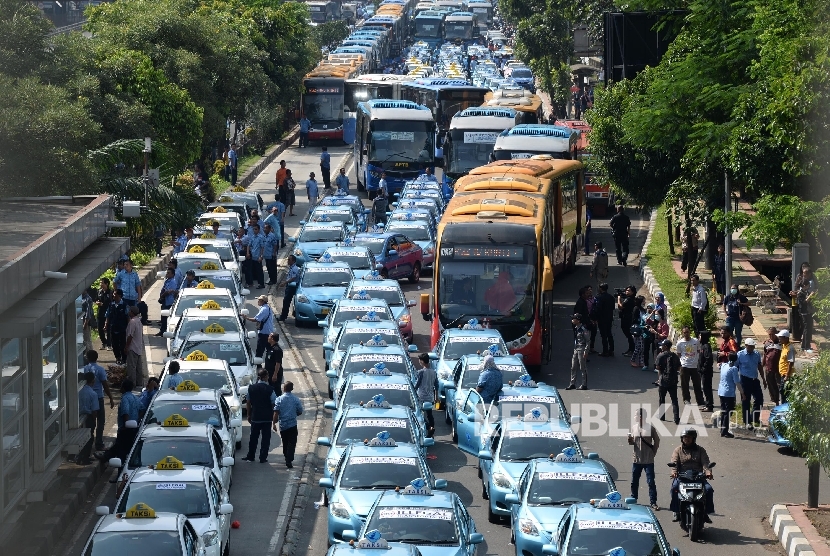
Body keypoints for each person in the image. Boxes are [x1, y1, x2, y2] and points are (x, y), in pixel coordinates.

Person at [669, 428, 714, 522]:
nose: (687, 439)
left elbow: (706, 462)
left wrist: (708, 472)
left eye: (689, 437)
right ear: (682, 438)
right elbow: (674, 462)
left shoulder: (701, 450)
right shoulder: (678, 450)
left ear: (694, 438)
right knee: (674, 488)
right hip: (683, 476)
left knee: (709, 490)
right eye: (685, 437)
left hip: (698, 476)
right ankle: (676, 511)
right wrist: (674, 471)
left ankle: (706, 512)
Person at [95, 379, 140, 461]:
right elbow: (142, 409)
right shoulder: (135, 398)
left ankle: (108, 458)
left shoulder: (125, 399)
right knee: (119, 446)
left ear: (123, 388)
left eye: (121, 386)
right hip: (134, 428)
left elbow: (125, 412)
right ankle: (106, 456)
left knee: (121, 450)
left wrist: (126, 425)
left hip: (126, 429)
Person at [629, 408, 660, 510]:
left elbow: (657, 440)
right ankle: (633, 499)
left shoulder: (650, 428)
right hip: (636, 460)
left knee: (650, 482)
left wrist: (653, 453)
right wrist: (629, 440)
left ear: (641, 417)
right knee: (634, 481)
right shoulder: (634, 427)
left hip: (648, 460)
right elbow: (632, 443)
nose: (635, 417)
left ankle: (653, 502)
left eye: (636, 415)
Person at [84, 350, 115, 450]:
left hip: (88, 398)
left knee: (90, 420)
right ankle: (99, 443)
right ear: (96, 358)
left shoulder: (85, 369)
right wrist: (110, 398)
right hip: (98, 397)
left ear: (88, 358)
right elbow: (105, 385)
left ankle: (88, 441)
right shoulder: (100, 369)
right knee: (101, 421)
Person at [244, 370, 277, 463]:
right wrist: (273, 416)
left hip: (255, 416)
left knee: (253, 437)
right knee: (266, 439)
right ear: (265, 377)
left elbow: (248, 402)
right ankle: (263, 457)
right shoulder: (270, 389)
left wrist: (249, 414)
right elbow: (274, 403)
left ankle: (251, 456)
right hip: (267, 418)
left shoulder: (251, 388)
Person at [272, 381, 304, 468]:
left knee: (285, 442)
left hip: (283, 425)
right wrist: (294, 414)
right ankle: (289, 459)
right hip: (292, 424)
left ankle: (287, 456)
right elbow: (300, 411)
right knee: (292, 443)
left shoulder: (279, 399)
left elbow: (276, 412)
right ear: (292, 389)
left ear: (284, 388)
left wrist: (274, 423)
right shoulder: (296, 399)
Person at [737, 338, 765, 429]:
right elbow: (735, 368)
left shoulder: (756, 354)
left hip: (754, 380)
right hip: (745, 380)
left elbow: (759, 366)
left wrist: (763, 379)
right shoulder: (740, 355)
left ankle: (754, 417)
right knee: (746, 400)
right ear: (746, 346)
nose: (752, 348)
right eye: (750, 346)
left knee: (759, 399)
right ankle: (747, 422)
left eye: (753, 346)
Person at [676, 326, 705, 407]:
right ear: (682, 333)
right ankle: (686, 399)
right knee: (685, 385)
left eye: (687, 332)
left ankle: (700, 401)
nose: (686, 334)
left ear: (690, 332)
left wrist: (699, 362)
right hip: (684, 366)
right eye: (684, 332)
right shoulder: (680, 343)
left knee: (697, 384)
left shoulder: (695, 341)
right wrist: (679, 366)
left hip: (695, 366)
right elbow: (678, 355)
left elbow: (699, 351)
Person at [76, 371, 99, 465]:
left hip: (78, 417)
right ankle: (85, 458)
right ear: (93, 380)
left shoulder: (78, 391)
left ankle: (78, 456)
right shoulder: (93, 394)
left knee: (79, 437)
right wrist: (94, 420)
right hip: (88, 417)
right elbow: (94, 410)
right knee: (89, 438)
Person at [655, 340, 680, 424]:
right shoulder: (675, 356)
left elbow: (658, 367)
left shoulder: (660, 356)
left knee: (662, 399)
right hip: (673, 381)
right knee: (674, 400)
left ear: (665, 346)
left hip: (663, 380)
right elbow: (679, 368)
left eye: (662, 345)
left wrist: (659, 378)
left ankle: (662, 417)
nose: (661, 346)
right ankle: (676, 418)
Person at [717, 352, 743, 437]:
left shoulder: (724, 365)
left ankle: (722, 429)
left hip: (721, 391)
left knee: (724, 411)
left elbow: (718, 365)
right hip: (729, 393)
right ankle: (724, 431)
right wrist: (742, 393)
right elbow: (737, 382)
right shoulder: (734, 369)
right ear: (736, 359)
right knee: (728, 412)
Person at [415, 353, 438, 438]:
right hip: (430, 397)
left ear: (422, 361)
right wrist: (436, 396)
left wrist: (412, 390)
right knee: (430, 415)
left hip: (421, 397)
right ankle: (431, 432)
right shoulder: (434, 372)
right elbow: (436, 385)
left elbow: (417, 385)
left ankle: (429, 427)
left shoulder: (421, 372)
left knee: (419, 415)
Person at [795, 265, 816, 352]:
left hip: (807, 311)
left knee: (808, 327)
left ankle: (805, 345)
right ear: (804, 286)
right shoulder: (801, 293)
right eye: (807, 286)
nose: (808, 287)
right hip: (804, 312)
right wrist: (810, 296)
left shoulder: (804, 291)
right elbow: (803, 302)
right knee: (807, 328)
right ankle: (806, 346)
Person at [105, 289, 130, 365]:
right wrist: (106, 325)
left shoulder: (125, 305)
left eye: (115, 294)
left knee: (122, 344)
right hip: (113, 327)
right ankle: (117, 358)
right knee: (114, 344)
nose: (113, 295)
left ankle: (124, 359)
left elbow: (128, 317)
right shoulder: (111, 305)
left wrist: (129, 328)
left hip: (122, 328)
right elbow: (107, 315)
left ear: (119, 295)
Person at [246, 295, 274, 360]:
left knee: (259, 351)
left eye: (259, 300)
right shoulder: (267, 308)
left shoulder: (264, 309)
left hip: (264, 333)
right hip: (268, 332)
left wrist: (246, 318)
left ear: (262, 301)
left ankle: (258, 366)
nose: (258, 301)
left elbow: (256, 319)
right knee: (269, 350)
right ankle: (269, 363)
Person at [124, 305, 145, 387]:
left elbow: (130, 336)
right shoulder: (139, 321)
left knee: (131, 367)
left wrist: (126, 347)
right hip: (138, 347)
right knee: (138, 367)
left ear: (132, 312)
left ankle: (131, 384)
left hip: (132, 347)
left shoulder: (132, 322)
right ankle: (139, 383)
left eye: (129, 311)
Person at [567, 314, 589, 390]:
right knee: (573, 367)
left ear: (578, 320)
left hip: (581, 349)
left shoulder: (583, 329)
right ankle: (572, 383)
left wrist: (586, 351)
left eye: (574, 319)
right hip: (576, 349)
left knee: (582, 367)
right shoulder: (576, 328)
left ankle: (584, 384)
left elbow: (588, 341)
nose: (572, 320)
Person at [594, 283, 615, 357]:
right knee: (609, 333)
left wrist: (596, 318)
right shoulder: (611, 297)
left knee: (603, 335)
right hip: (609, 318)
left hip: (602, 318)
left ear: (600, 289)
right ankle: (611, 350)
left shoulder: (599, 297)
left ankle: (605, 351)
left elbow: (598, 309)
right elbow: (613, 307)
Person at [763, 327, 782, 405]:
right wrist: (762, 364)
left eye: (772, 334)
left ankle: (782, 400)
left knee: (779, 385)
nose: (771, 336)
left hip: (778, 368)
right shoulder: (767, 343)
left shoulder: (781, 343)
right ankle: (775, 401)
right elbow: (765, 354)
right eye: (769, 334)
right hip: (769, 367)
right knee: (771, 384)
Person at [573, 286, 596, 353]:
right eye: (586, 294)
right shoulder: (581, 302)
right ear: (583, 294)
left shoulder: (583, 301)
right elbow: (579, 315)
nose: (588, 295)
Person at [157, 268, 179, 336]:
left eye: (169, 273)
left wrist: (162, 296)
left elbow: (168, 291)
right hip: (166, 301)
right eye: (167, 273)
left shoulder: (172, 282)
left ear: (172, 274)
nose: (167, 274)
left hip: (169, 302)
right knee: (163, 317)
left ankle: (163, 331)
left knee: (165, 318)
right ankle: (162, 331)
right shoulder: (167, 280)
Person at [278, 255, 301, 322]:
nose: (288, 261)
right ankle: (283, 316)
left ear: (293, 261)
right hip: (289, 286)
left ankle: (283, 317)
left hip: (292, 287)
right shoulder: (292, 267)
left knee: (286, 301)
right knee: (286, 302)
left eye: (289, 260)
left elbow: (293, 277)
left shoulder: (294, 268)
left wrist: (285, 282)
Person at [698, 330, 715, 412]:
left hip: (706, 372)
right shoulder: (702, 346)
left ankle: (709, 405)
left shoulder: (706, 347)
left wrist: (703, 369)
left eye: (700, 336)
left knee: (707, 388)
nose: (699, 337)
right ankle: (707, 404)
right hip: (703, 372)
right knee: (705, 388)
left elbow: (708, 359)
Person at [777, 329, 795, 403]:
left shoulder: (790, 348)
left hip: (787, 375)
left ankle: (785, 408)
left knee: (785, 392)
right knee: (782, 392)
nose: (779, 339)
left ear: (786, 338)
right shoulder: (784, 345)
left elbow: (791, 362)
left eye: (781, 337)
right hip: (783, 374)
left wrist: (787, 375)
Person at [247, 223, 266, 289]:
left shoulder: (260, 237)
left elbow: (262, 248)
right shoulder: (252, 237)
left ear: (258, 230)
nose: (254, 230)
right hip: (253, 256)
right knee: (253, 270)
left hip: (258, 257)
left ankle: (261, 284)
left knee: (259, 271)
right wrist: (248, 253)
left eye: (256, 229)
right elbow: (249, 245)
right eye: (254, 229)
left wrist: (261, 256)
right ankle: (256, 282)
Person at [629, 296, 647, 369]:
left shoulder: (643, 309)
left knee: (642, 347)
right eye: (643, 301)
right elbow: (634, 320)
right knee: (638, 347)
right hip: (637, 330)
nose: (644, 302)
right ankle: (632, 360)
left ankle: (641, 361)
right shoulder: (636, 309)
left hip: (643, 330)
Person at [96, 277, 113, 350]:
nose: (101, 284)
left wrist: (103, 304)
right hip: (100, 313)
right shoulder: (99, 291)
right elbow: (96, 299)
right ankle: (104, 342)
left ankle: (109, 344)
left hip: (108, 313)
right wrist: (97, 303)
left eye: (102, 283)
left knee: (108, 329)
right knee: (100, 329)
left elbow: (110, 302)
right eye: (100, 283)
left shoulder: (110, 292)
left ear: (107, 284)